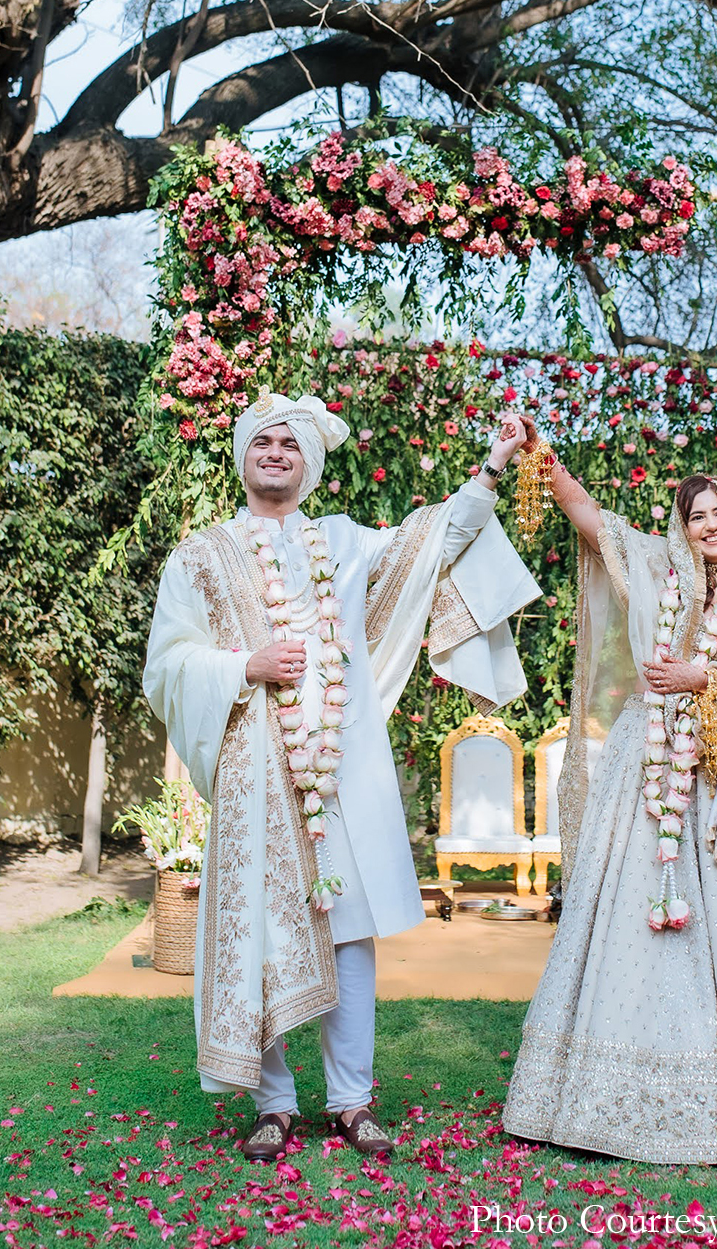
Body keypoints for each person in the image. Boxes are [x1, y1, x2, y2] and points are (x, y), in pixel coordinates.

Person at [144, 390, 539, 1162]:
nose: (277, 452)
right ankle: (275, 1105)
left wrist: (495, 464)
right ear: (244, 456)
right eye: (264, 441)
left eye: (291, 443)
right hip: (252, 776)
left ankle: (352, 1101)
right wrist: (242, 666)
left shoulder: (345, 545)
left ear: (309, 462)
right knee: (258, 927)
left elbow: (434, 539)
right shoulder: (200, 555)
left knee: (350, 931)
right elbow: (164, 665)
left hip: (342, 773)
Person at [502, 465, 717, 1164]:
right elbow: (593, 520)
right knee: (626, 916)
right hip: (645, 764)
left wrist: (710, 678)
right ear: (681, 528)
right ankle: (601, 1088)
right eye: (698, 516)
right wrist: (545, 461)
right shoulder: (658, 572)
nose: (712, 524)